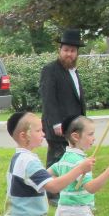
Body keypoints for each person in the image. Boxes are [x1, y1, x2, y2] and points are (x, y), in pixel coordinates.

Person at [39, 28, 86, 168]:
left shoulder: (74, 71)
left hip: (74, 127)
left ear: (77, 53)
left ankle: (68, 190)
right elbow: (48, 98)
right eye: (66, 50)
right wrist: (56, 123)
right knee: (56, 165)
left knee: (71, 164)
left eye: (72, 51)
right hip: (58, 128)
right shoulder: (50, 70)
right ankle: (52, 190)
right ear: (60, 50)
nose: (69, 54)